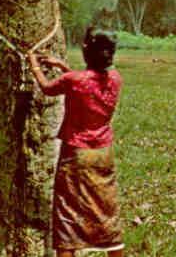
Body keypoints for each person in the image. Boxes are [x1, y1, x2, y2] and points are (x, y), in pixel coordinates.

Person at [27, 27, 124, 257]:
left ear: (87, 52)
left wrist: (34, 64)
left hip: (76, 153)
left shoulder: (74, 80)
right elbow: (84, 85)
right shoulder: (115, 79)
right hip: (103, 153)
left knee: (67, 213)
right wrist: (62, 67)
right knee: (106, 209)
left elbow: (48, 88)